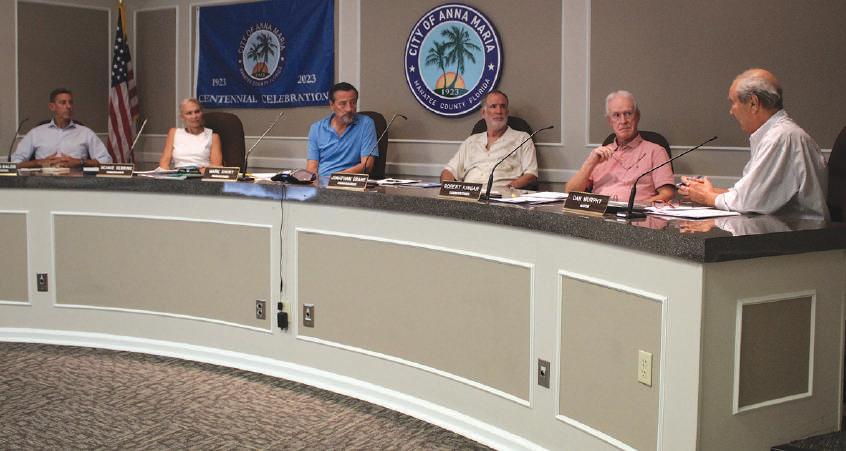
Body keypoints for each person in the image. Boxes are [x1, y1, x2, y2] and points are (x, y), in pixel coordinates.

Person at [679, 68, 829, 219]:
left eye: (733, 102)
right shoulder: (778, 134)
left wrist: (707, 197)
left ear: (753, 103)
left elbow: (751, 202)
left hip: (798, 231)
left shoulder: (781, 138)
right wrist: (705, 190)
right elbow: (749, 194)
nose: (731, 111)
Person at [566, 91, 674, 202]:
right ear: (609, 121)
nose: (623, 121)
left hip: (636, 212)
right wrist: (590, 163)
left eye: (628, 114)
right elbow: (571, 193)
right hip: (600, 211)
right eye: (616, 115)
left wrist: (634, 208)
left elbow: (667, 194)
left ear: (637, 116)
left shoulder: (656, 151)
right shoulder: (600, 155)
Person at [441, 90, 538, 189]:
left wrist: (509, 189)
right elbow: (448, 171)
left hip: (501, 194)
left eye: (503, 106)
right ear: (483, 113)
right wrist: (449, 190)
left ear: (507, 112)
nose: (499, 111)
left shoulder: (522, 138)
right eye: (493, 106)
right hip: (469, 194)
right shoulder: (471, 141)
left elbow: (531, 174)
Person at [11, 88, 112, 168]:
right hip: (43, 183)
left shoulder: (85, 133)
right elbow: (15, 162)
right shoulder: (36, 133)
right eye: (63, 103)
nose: (68, 106)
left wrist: (80, 162)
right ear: (52, 107)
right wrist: (38, 163)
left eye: (70, 102)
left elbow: (106, 161)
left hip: (76, 183)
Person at [306, 82, 377, 177]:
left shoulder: (366, 124)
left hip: (349, 181)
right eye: (343, 104)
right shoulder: (316, 128)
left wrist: (334, 178)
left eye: (353, 103)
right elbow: (311, 168)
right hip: (321, 182)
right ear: (332, 105)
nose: (349, 109)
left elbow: (367, 165)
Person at [157, 98, 222, 172]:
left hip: (202, 175)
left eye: (197, 112)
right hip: (178, 175)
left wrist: (196, 172)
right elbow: (164, 163)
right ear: (182, 117)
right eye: (189, 113)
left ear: (202, 113)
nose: (194, 116)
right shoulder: (174, 133)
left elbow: (216, 167)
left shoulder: (213, 137)